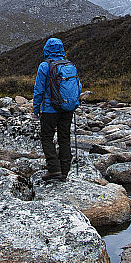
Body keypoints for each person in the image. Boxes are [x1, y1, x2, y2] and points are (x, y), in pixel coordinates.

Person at [33, 37, 81, 182]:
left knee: (47, 138)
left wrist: (36, 108)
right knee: (64, 138)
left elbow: (39, 90)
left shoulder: (44, 66)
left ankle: (54, 169)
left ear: (46, 49)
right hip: (67, 108)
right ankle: (65, 171)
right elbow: (78, 86)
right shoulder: (69, 65)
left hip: (50, 109)